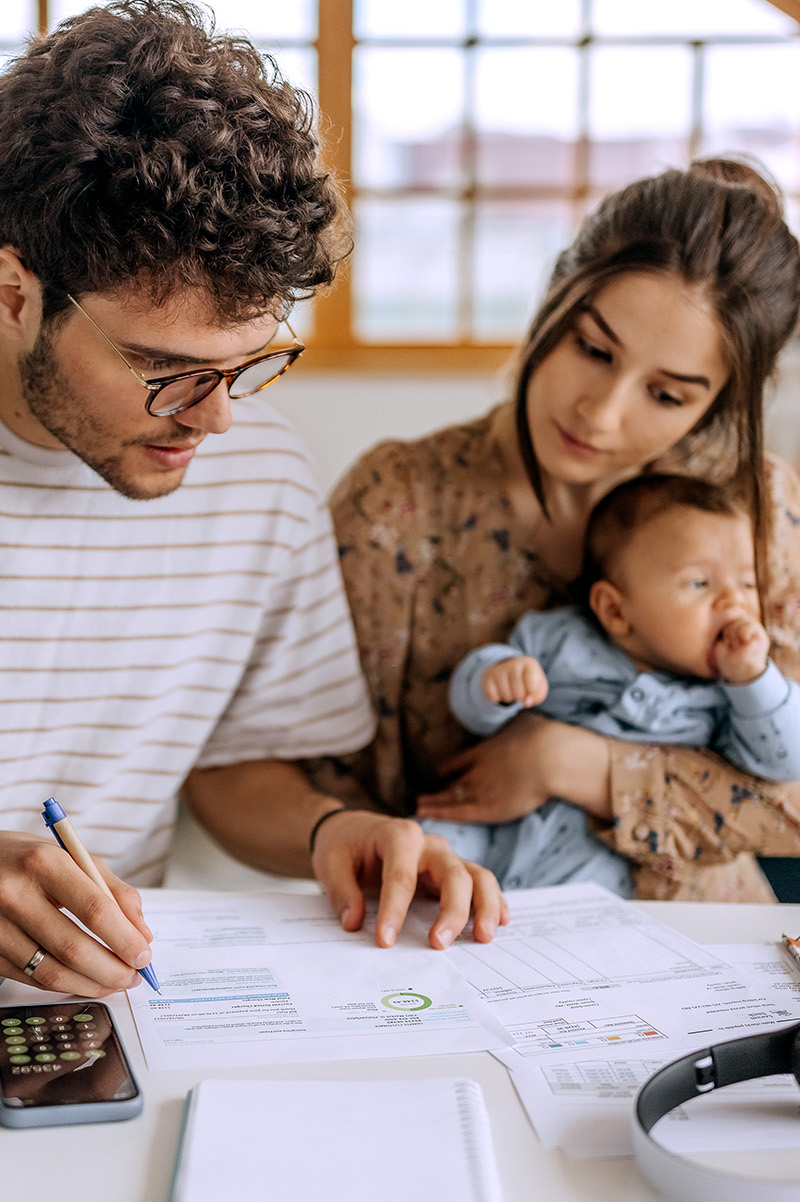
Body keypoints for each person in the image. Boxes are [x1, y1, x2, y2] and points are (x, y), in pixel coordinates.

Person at [0, 0, 507, 1000]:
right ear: (15, 295)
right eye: (164, 368)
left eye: (250, 364)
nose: (216, 420)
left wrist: (331, 831)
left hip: (97, 1013)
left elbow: (235, 768)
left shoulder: (259, 473)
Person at [322, 156, 800, 905]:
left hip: (712, 959)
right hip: (461, 934)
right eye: (593, 350)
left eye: (667, 394)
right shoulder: (397, 504)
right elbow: (308, 782)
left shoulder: (761, 512)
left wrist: (566, 761)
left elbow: (793, 797)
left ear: (717, 405)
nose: (601, 413)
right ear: (553, 294)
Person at [417, 474, 800, 895]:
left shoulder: (731, 697)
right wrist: (495, 680)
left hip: (597, 849)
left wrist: (753, 679)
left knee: (581, 909)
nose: (735, 602)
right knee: (428, 847)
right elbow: (473, 713)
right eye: (699, 583)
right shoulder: (561, 638)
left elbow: (783, 762)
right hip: (497, 820)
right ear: (615, 610)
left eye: (748, 584)